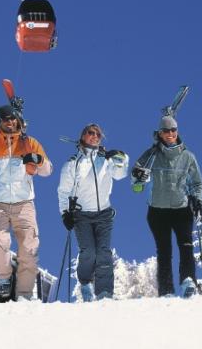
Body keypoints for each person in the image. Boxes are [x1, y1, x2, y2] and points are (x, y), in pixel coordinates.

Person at [0, 104, 52, 301]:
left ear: (18, 120)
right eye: (5, 119)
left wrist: (38, 160)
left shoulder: (30, 143)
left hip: (24, 203)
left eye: (12, 118)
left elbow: (47, 171)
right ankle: (4, 277)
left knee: (29, 248)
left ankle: (24, 295)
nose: (9, 122)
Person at [132, 114, 202, 298]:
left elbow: (196, 182)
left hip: (182, 209)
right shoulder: (152, 154)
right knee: (164, 250)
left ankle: (188, 282)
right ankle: (166, 290)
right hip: (158, 210)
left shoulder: (187, 156)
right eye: (166, 130)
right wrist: (140, 177)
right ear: (160, 133)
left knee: (186, 246)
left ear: (177, 132)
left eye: (173, 130)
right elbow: (137, 179)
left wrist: (197, 199)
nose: (170, 133)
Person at [57, 123, 128, 301]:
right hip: (82, 215)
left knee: (103, 252)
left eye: (98, 134)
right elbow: (63, 191)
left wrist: (121, 158)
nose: (95, 136)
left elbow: (120, 174)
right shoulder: (73, 163)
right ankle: (86, 283)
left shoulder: (106, 160)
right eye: (91, 133)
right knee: (89, 252)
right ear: (83, 136)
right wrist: (65, 213)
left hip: (104, 213)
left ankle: (104, 293)